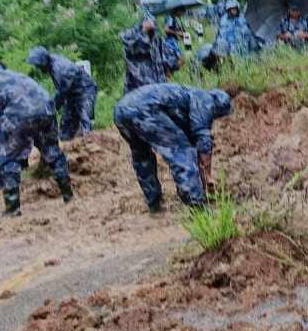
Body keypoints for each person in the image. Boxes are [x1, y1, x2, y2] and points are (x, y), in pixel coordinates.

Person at [0, 63, 73, 217]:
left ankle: (12, 210)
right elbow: (12, 100)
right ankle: (69, 197)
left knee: (8, 160)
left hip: (18, 114)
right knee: (52, 151)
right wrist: (1, 129)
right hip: (46, 107)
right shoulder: (13, 76)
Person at [113, 83, 233, 212]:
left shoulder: (187, 99)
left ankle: (153, 203)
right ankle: (197, 206)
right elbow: (203, 141)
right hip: (145, 109)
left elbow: (193, 140)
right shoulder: (206, 100)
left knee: (142, 156)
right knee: (182, 152)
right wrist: (208, 176)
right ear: (220, 108)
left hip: (121, 110)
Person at [26, 46, 99, 141]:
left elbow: (61, 93)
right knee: (66, 123)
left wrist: (51, 109)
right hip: (71, 93)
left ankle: (90, 144)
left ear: (43, 61)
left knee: (85, 119)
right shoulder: (51, 63)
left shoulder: (60, 68)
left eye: (38, 65)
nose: (37, 67)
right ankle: (65, 144)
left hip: (85, 91)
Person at [121, 14, 178, 92]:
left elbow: (170, 61)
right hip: (137, 90)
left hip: (156, 90)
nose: (150, 31)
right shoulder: (132, 38)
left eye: (152, 29)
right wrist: (143, 30)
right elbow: (129, 42)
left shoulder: (158, 42)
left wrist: (170, 71)